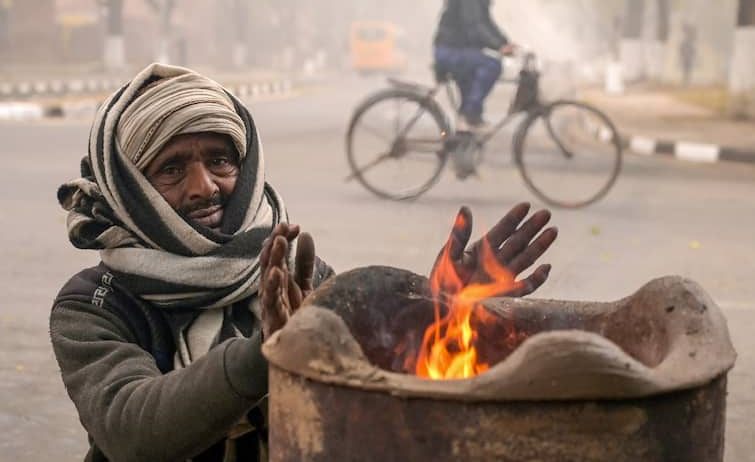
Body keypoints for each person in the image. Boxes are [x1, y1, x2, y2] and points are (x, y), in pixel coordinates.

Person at [51, 62, 558, 461]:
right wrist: (265, 353)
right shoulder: (95, 305)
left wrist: (440, 315)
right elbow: (133, 433)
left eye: (219, 160)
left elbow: (375, 381)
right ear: (130, 188)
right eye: (171, 168)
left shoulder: (297, 273)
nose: (204, 187)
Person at [433, 0, 516, 131]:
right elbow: (474, 25)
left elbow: (486, 21)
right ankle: (470, 116)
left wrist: (504, 41)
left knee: (471, 92)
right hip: (450, 50)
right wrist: (498, 46)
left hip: (457, 49)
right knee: (492, 65)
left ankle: (464, 135)